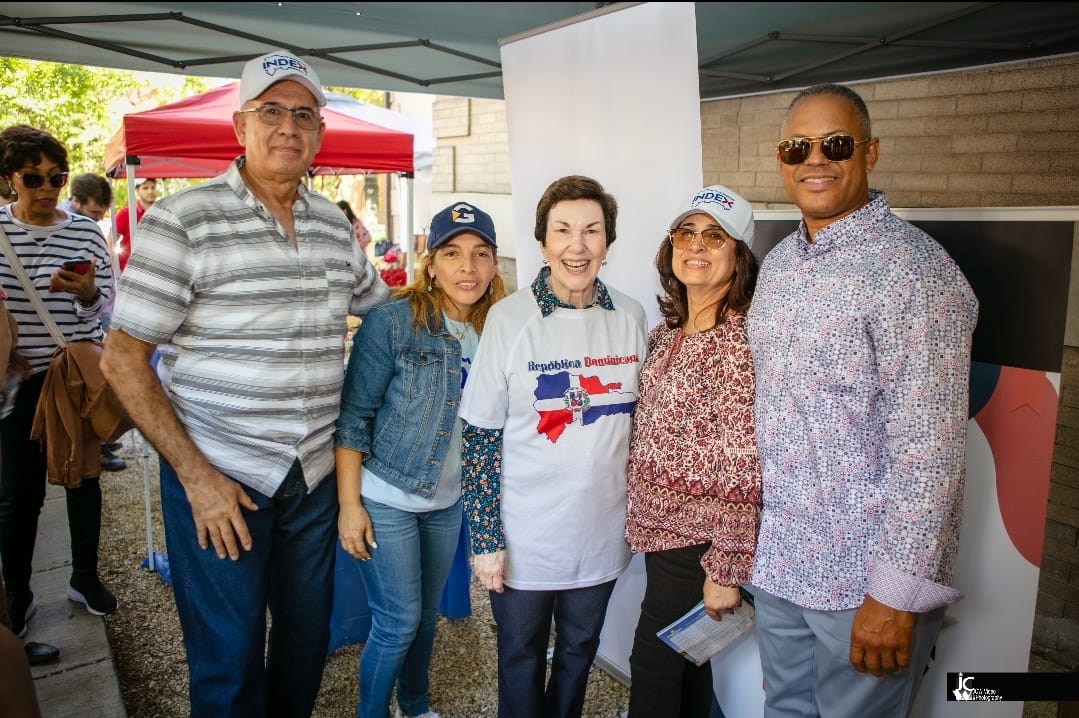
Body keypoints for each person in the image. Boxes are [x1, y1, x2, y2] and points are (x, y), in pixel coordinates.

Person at [100, 49, 388, 718]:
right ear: (239, 126)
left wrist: (466, 307)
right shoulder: (183, 220)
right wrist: (197, 480)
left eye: (303, 114)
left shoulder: (332, 227)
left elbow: (384, 315)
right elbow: (121, 357)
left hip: (312, 478)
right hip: (221, 477)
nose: (288, 127)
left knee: (304, 642)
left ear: (319, 131)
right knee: (227, 661)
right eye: (271, 111)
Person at [747, 82, 979, 718]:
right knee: (786, 711)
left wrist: (894, 594)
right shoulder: (782, 262)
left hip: (862, 581)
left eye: (836, 144)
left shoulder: (916, 273)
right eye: (797, 147)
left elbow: (931, 451)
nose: (814, 160)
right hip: (782, 560)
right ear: (781, 159)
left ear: (870, 153)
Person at [460, 175, 647, 718]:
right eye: (562, 230)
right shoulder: (511, 318)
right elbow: (480, 437)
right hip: (526, 536)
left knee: (578, 652)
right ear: (542, 241)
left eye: (592, 230)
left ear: (608, 243)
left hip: (601, 534)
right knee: (518, 655)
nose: (578, 245)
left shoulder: (631, 317)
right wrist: (486, 538)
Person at [335, 201, 506, 718]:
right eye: (452, 254)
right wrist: (349, 506)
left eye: (480, 254)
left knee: (426, 616)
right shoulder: (392, 321)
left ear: (495, 263)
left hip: (447, 499)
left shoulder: (499, 329)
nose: (467, 268)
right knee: (398, 621)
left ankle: (416, 706)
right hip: (386, 494)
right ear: (430, 263)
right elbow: (353, 418)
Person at [623, 185, 762, 718]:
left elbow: (743, 460)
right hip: (661, 537)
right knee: (688, 662)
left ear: (739, 255)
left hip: (699, 541)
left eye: (715, 236)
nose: (697, 246)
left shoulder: (740, 341)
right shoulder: (666, 334)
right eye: (687, 233)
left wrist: (725, 566)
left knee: (654, 666)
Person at [0, 125, 119, 641]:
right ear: (10, 180)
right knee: (17, 494)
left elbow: (107, 307)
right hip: (17, 383)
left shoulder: (85, 232)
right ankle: (18, 591)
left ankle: (84, 577)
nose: (47, 188)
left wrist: (89, 291)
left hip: (71, 375)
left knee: (83, 479)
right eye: (34, 178)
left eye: (57, 177)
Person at [60, 173, 127, 473]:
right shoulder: (65, 231)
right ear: (75, 201)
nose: (97, 220)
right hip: (74, 331)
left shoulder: (87, 230)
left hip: (98, 312)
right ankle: (95, 443)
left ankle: (101, 434)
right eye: (93, 213)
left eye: (100, 215)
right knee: (92, 384)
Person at [112, 176, 156, 273]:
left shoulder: (163, 213)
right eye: (145, 188)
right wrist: (113, 269)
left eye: (153, 187)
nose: (150, 191)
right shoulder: (125, 213)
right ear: (137, 190)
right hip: (128, 272)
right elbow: (110, 241)